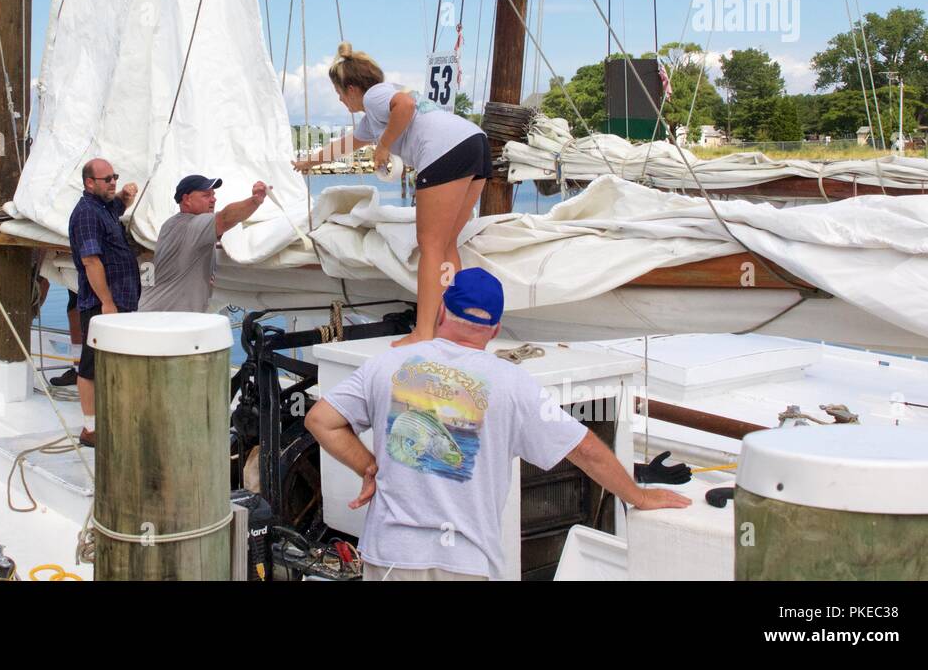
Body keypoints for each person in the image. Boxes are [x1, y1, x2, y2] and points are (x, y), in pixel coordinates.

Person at [305, 267, 691, 581]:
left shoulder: (387, 364)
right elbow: (586, 449)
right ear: (494, 329)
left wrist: (369, 466)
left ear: (441, 312)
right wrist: (638, 497)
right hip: (467, 561)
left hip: (393, 555)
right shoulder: (513, 383)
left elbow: (321, 420)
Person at [294, 42, 491, 346]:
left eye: (339, 94)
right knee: (446, 243)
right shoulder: (374, 117)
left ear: (352, 88)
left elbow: (406, 107)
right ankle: (452, 323)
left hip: (444, 150)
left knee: (431, 245)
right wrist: (310, 161)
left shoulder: (376, 95)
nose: (340, 100)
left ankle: (425, 332)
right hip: (474, 143)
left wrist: (384, 146)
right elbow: (346, 144)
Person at [68, 157, 141, 447]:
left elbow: (117, 206)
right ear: (89, 183)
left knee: (113, 362)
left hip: (119, 302)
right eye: (107, 179)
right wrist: (107, 303)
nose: (113, 182)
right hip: (102, 305)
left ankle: (111, 421)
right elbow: (90, 260)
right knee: (91, 365)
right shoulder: (86, 213)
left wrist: (124, 196)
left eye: (115, 177)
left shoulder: (103, 207)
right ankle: (91, 430)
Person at [138, 175, 269, 313]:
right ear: (187, 199)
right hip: (165, 321)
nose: (213, 199)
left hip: (158, 316)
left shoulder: (171, 224)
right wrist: (255, 200)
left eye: (213, 195)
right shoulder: (189, 225)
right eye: (206, 195)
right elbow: (225, 218)